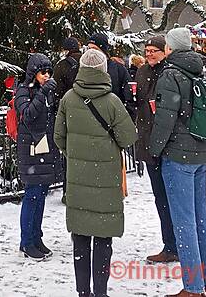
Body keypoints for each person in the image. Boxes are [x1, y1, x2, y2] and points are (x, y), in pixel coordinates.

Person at [55, 48, 137, 297]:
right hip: (106, 180)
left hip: (78, 178)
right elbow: (128, 137)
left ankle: (83, 292)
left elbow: (59, 137)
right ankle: (100, 291)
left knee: (80, 237)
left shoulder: (69, 98)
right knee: (103, 237)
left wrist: (76, 155)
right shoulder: (111, 101)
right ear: (103, 70)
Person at [149, 27, 206, 297]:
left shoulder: (170, 74)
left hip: (179, 155)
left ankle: (192, 286)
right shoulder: (199, 69)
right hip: (200, 151)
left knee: (184, 221)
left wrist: (154, 149)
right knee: (201, 217)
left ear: (171, 48)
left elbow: (165, 118)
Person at [134, 35, 178, 264]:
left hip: (169, 144)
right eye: (147, 50)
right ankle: (170, 244)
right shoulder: (141, 72)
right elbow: (140, 102)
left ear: (165, 51)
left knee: (173, 198)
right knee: (160, 197)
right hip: (149, 143)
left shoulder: (170, 71)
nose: (150, 54)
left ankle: (176, 244)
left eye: (154, 50)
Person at [14, 53, 61, 260]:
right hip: (31, 149)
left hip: (45, 147)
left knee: (41, 196)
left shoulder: (45, 92)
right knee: (32, 196)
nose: (47, 76)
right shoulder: (24, 90)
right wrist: (42, 94)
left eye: (49, 72)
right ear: (34, 72)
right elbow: (27, 116)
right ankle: (27, 241)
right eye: (43, 72)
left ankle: (36, 236)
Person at [87, 32, 134, 114]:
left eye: (95, 49)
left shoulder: (118, 69)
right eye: (89, 49)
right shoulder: (83, 68)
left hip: (112, 117)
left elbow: (128, 97)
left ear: (103, 51)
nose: (91, 53)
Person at [53, 37, 81, 105]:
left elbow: (57, 89)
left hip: (69, 104)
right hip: (87, 105)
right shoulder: (86, 61)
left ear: (67, 51)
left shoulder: (62, 65)